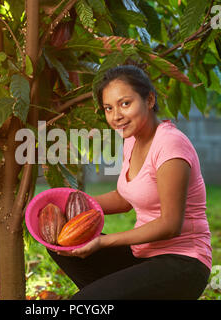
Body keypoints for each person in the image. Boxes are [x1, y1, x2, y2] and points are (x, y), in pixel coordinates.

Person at [46, 64, 212, 300]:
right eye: (108, 108)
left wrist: (103, 243)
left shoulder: (170, 145)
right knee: (60, 244)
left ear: (149, 99)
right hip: (143, 256)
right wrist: (67, 204)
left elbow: (170, 224)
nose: (116, 116)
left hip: (183, 263)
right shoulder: (133, 140)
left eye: (125, 103)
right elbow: (125, 198)